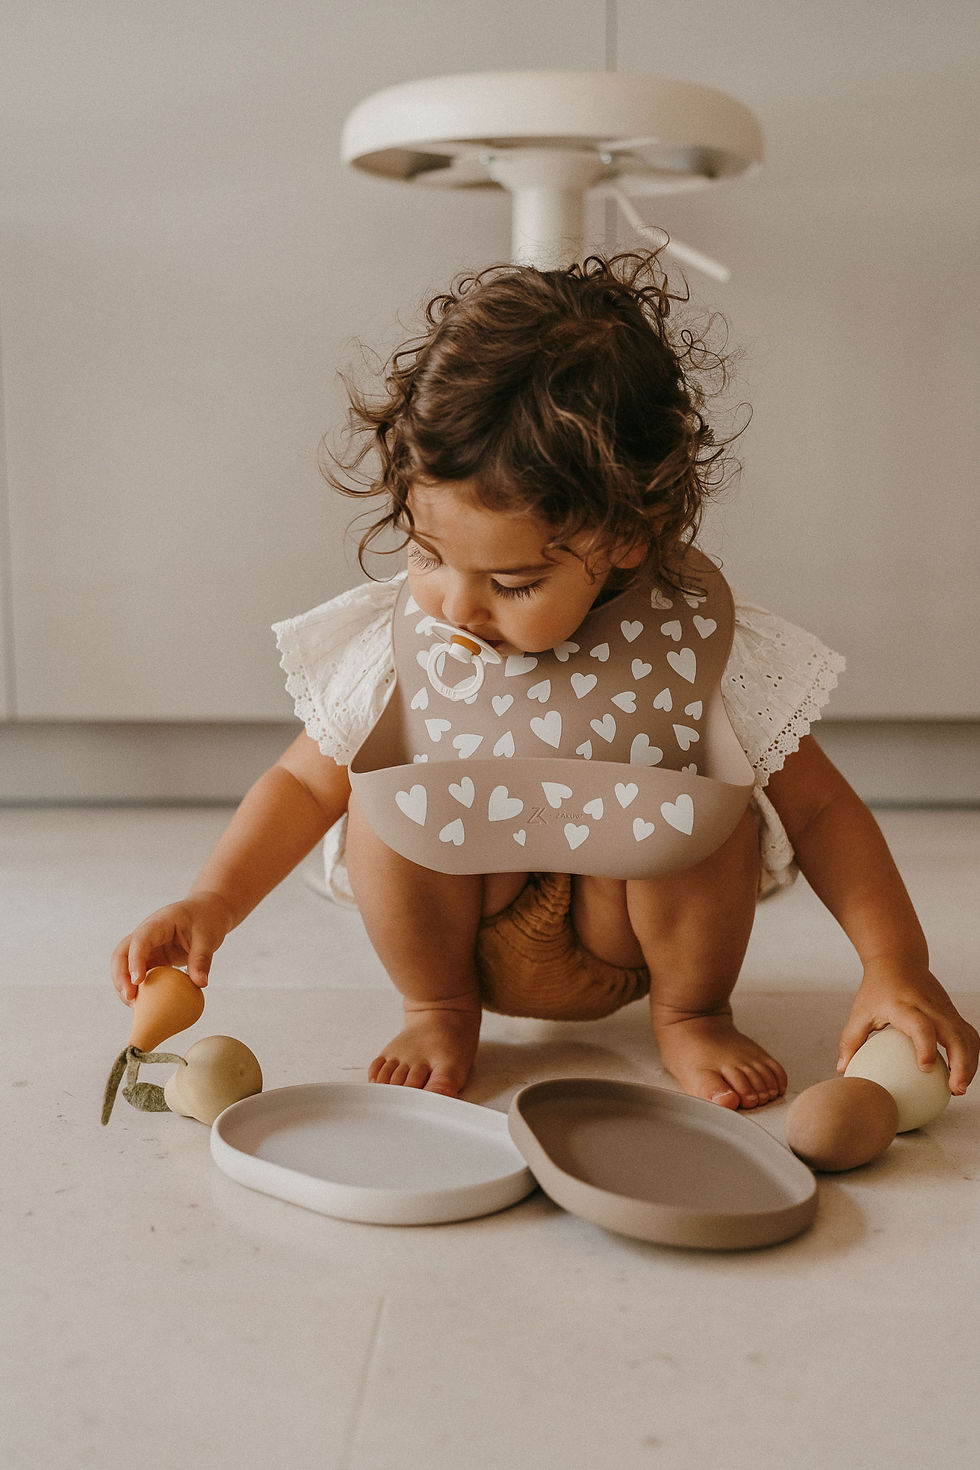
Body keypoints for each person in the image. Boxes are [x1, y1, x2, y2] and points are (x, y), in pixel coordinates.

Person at [111, 252, 978, 1111]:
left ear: (629, 536)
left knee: (715, 810)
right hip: (463, 924)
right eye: (426, 555)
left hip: (627, 929)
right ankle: (437, 1011)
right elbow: (304, 784)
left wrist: (895, 964)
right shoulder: (401, 640)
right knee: (375, 806)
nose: (458, 607)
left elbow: (820, 811)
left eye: (513, 582)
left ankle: (693, 1016)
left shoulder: (699, 643)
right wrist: (213, 901)